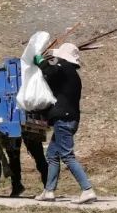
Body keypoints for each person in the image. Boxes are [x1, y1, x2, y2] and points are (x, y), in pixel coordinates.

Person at [34, 43, 96, 204]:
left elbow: (50, 71)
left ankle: (87, 189)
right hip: (69, 119)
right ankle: (49, 191)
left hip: (64, 119)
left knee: (67, 155)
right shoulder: (72, 74)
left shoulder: (65, 67)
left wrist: (41, 61)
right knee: (52, 155)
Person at [4, 115, 49, 197]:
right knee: (14, 157)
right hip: (17, 121)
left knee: (38, 156)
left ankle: (48, 186)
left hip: (27, 121)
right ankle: (16, 186)